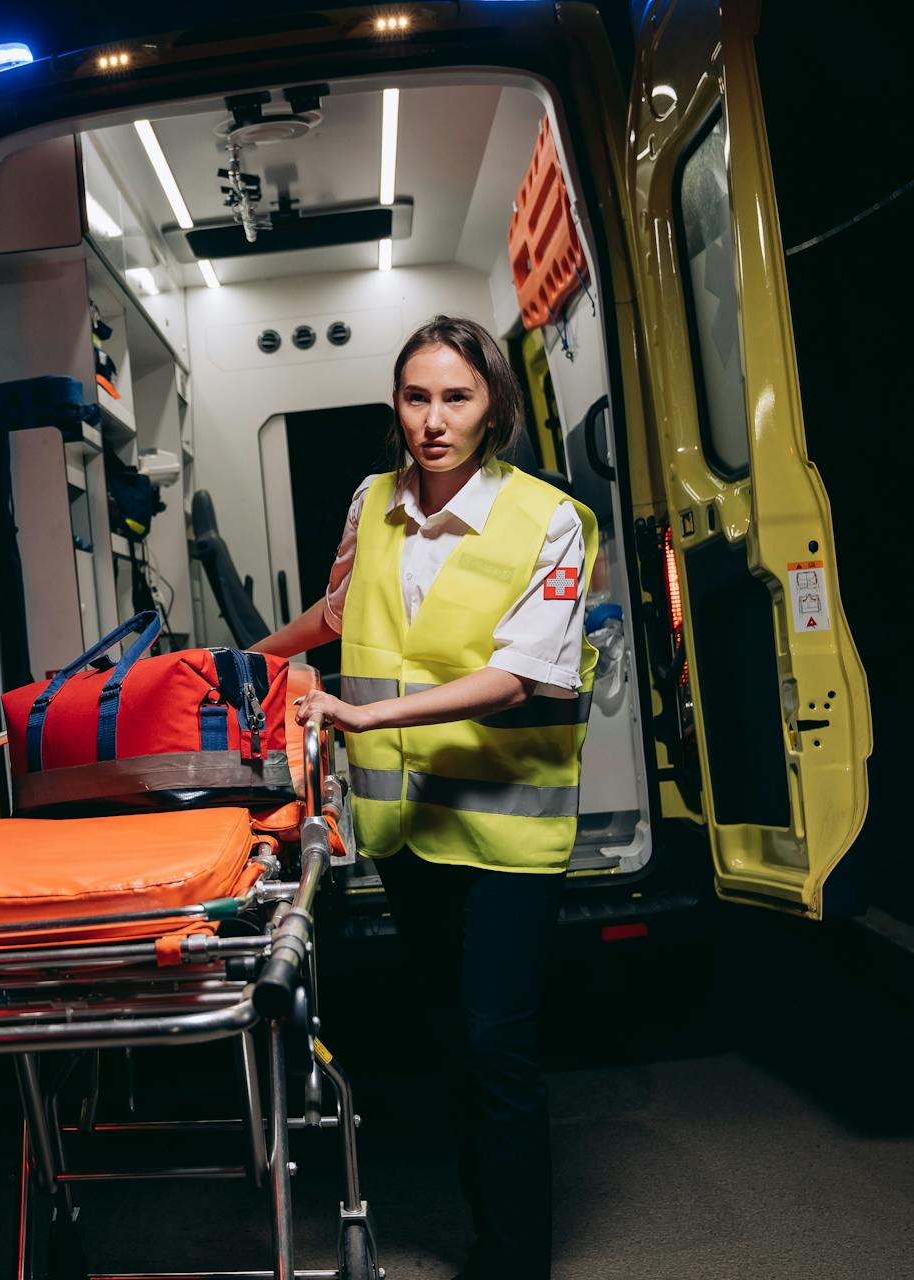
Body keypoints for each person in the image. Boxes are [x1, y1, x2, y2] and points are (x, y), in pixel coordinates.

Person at [254, 315, 595, 1280]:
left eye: (457, 397)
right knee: (455, 1041)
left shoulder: (550, 519)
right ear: (395, 406)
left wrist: (366, 721)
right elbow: (336, 611)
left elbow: (523, 674)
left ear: (494, 408)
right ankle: (491, 1237)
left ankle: (514, 1261)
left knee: (498, 1047)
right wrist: (245, 663)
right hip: (409, 831)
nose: (434, 420)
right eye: (416, 397)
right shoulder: (372, 503)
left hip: (509, 839)